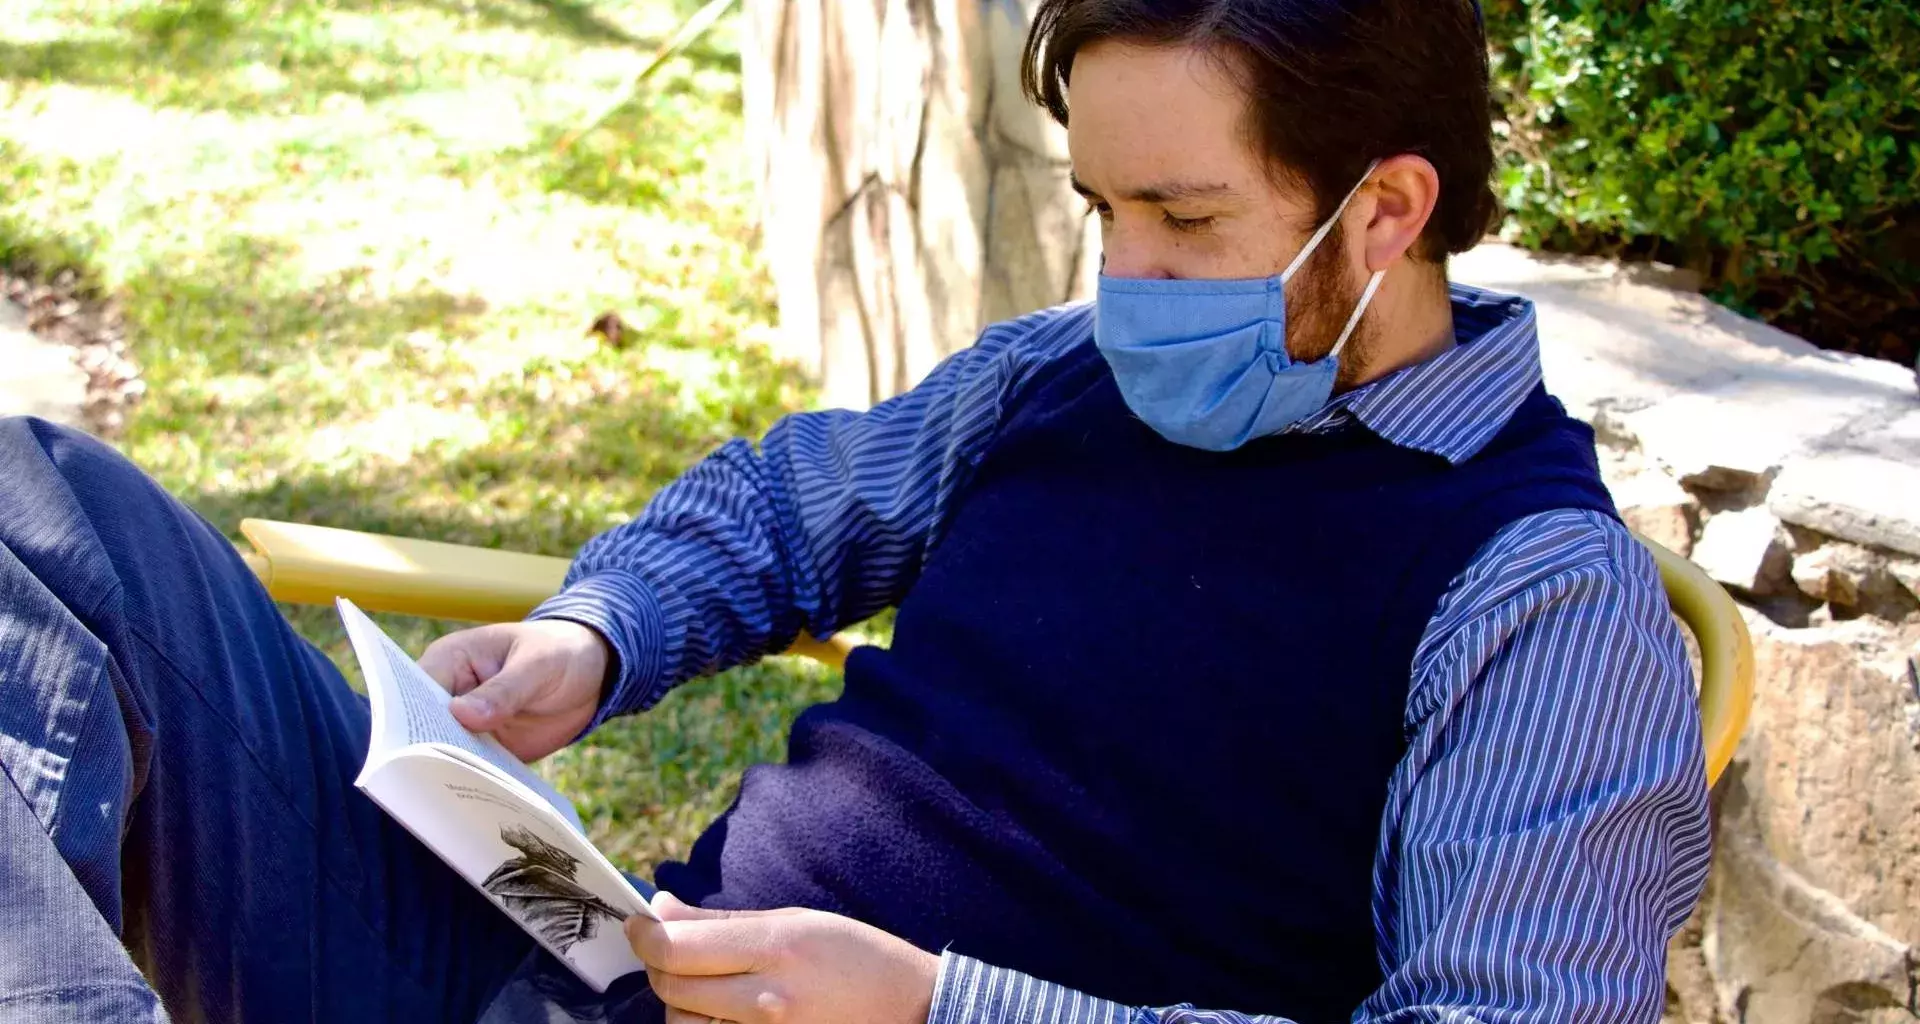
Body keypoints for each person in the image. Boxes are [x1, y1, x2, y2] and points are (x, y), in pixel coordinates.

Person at [0, 0, 1712, 1021]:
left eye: (1184, 218)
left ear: (1386, 212)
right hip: (580, 967)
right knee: (31, 506)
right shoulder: (1059, 375)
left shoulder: (1539, 602)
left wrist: (933, 1008)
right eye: (1101, 207)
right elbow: (784, 508)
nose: (1126, 279)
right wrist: (597, 637)